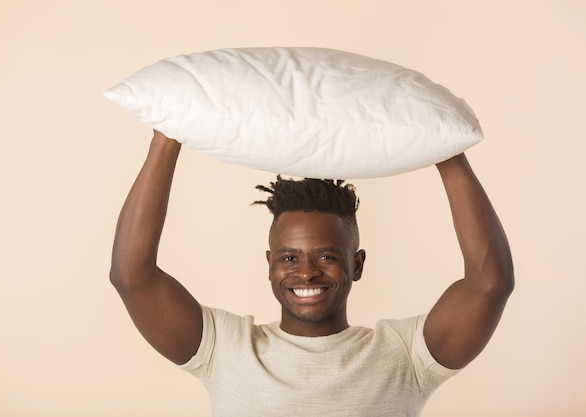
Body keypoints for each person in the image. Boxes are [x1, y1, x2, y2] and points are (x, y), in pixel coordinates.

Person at [110, 129, 514, 416]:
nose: (306, 273)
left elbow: (488, 283)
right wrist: (166, 139)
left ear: (356, 265)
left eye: (326, 257)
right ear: (269, 264)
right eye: (289, 258)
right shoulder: (225, 348)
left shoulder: (404, 355)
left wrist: (447, 149)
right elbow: (132, 276)